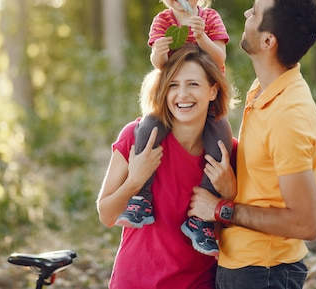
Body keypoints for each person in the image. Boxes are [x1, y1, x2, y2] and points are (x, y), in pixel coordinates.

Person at [188, 0, 316, 289]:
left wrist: (222, 209)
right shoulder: (265, 89)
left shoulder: (288, 116)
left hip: (263, 272)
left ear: (268, 41)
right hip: (243, 266)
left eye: (254, 12)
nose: (245, 14)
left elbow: (306, 222)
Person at [115, 0, 232, 257]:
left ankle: (199, 221)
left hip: (206, 101)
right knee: (147, 130)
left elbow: (220, 57)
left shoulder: (209, 18)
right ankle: (142, 197)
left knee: (221, 143)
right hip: (171, 99)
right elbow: (158, 65)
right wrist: (158, 53)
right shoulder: (163, 22)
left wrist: (203, 37)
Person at [97, 46, 238, 289]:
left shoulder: (228, 154)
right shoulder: (135, 137)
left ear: (213, 90)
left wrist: (228, 193)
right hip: (132, 282)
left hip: (196, 283)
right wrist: (134, 180)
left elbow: (229, 233)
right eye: (173, 85)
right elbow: (107, 215)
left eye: (193, 84)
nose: (182, 94)